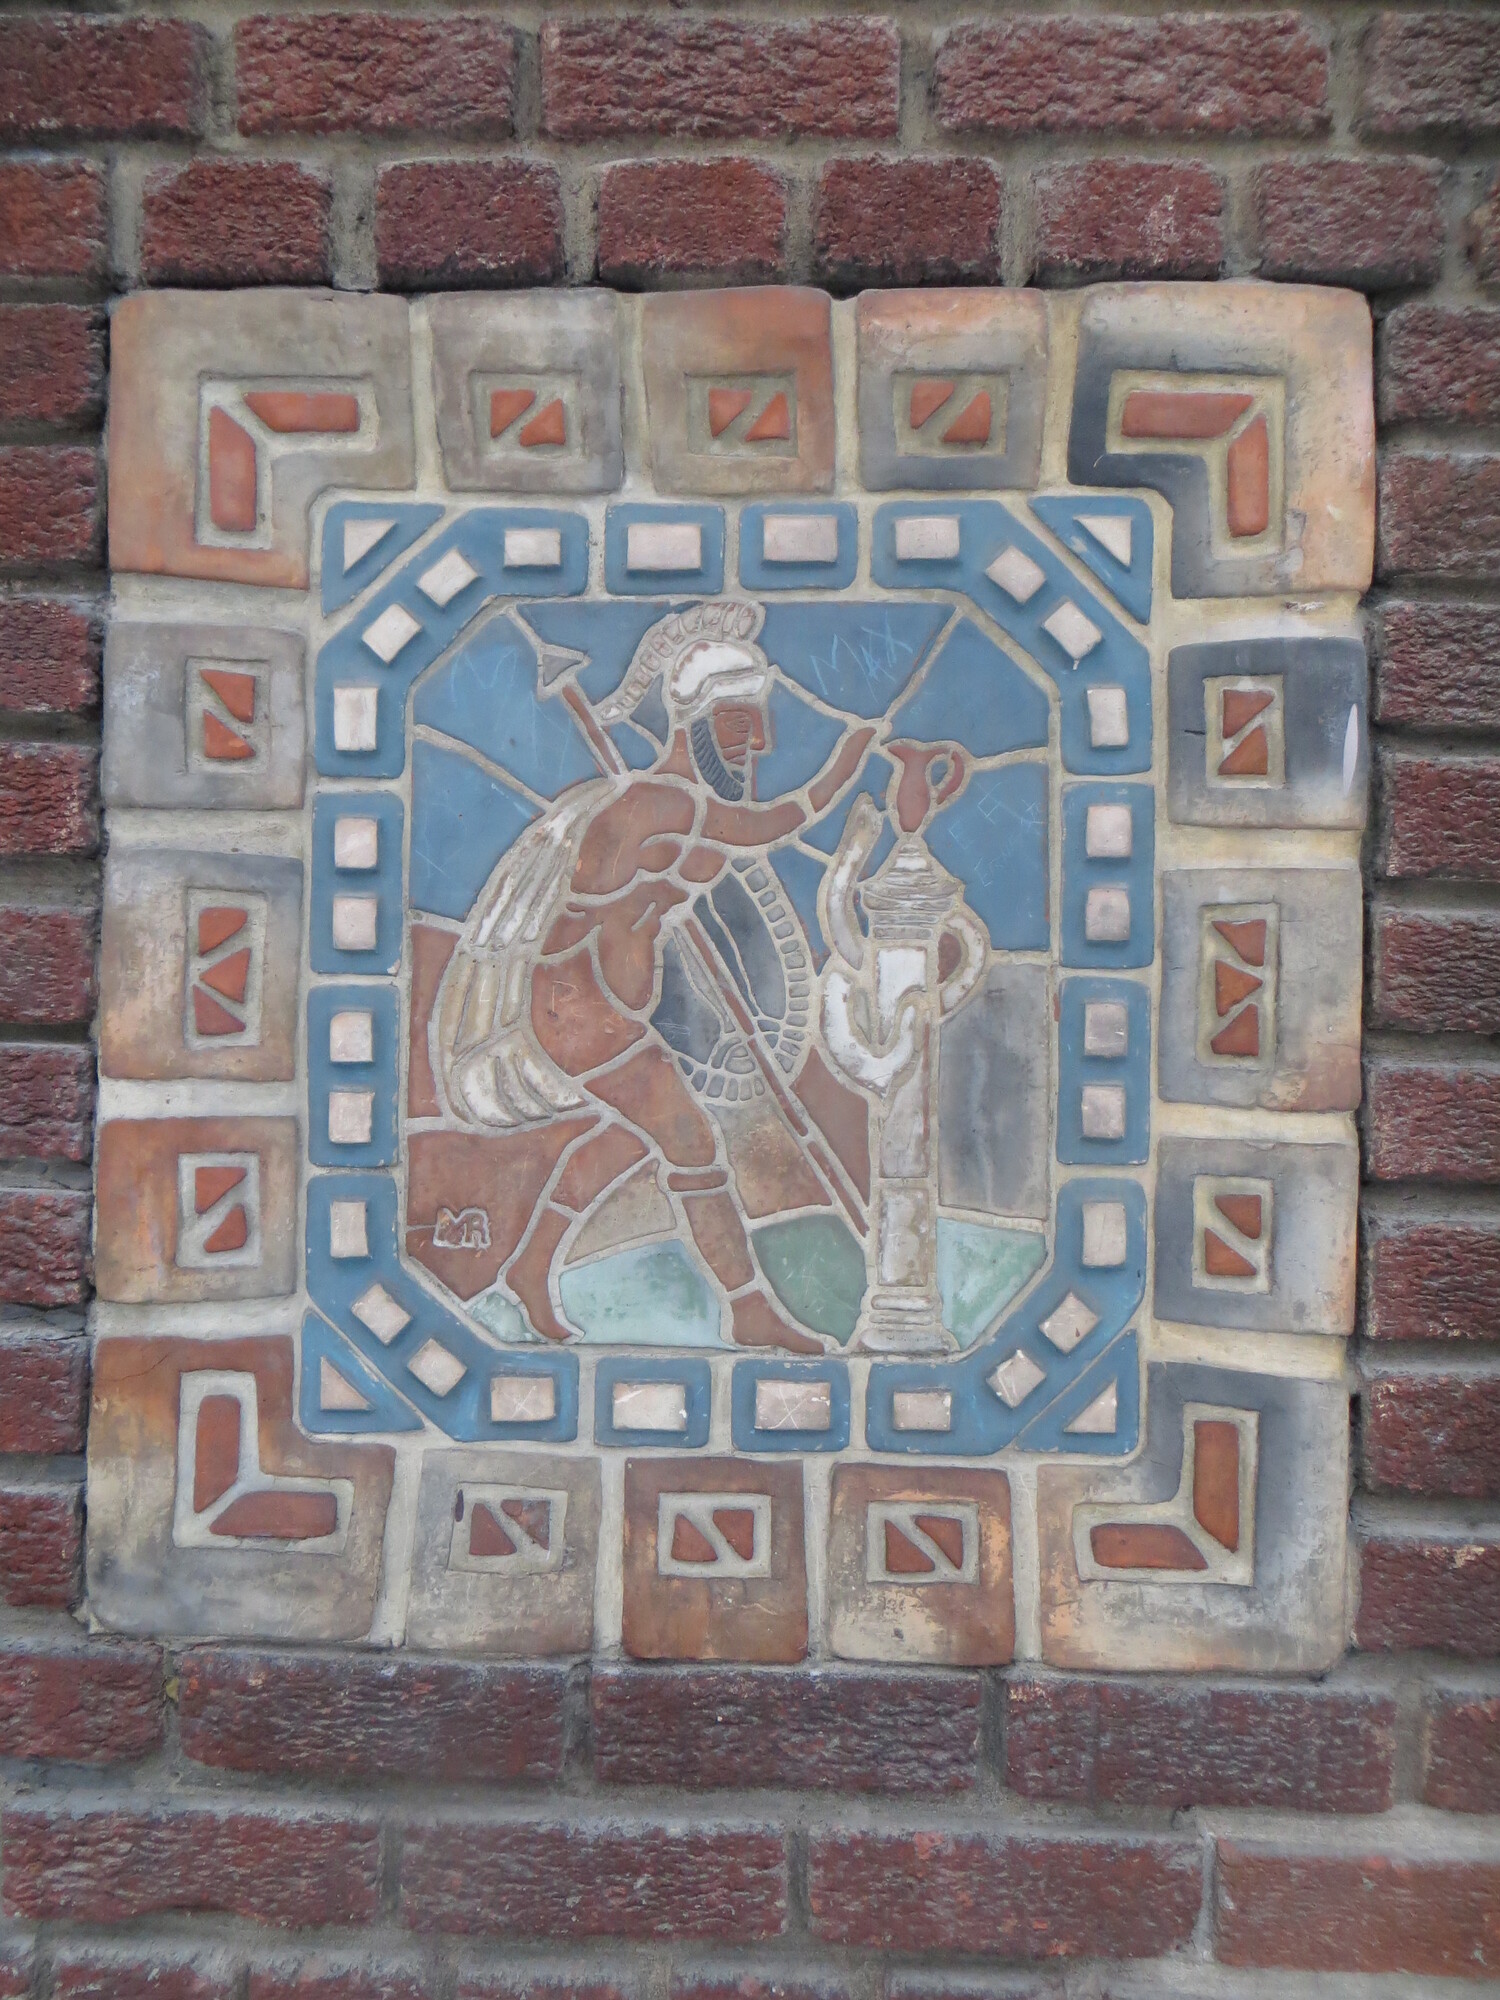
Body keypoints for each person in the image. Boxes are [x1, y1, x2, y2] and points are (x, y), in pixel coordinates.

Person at [433, 600, 874, 1351]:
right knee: (692, 1142)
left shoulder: (683, 803)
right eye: (739, 724)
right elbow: (777, 823)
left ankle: (531, 1270)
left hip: (607, 1004)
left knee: (633, 1138)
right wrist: (849, 757)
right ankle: (748, 1310)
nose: (760, 742)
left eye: (757, 721)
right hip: (580, 1007)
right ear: (695, 725)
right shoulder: (661, 804)